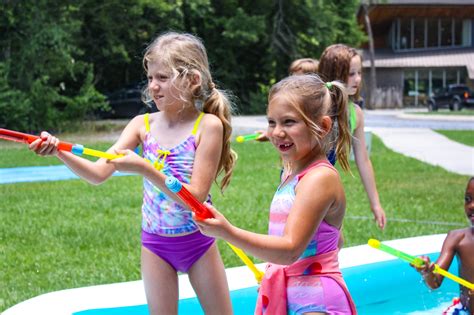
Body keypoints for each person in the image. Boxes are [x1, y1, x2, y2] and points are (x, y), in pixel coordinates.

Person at [29, 32, 236, 315]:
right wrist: (59, 151)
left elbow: (196, 197)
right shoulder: (141, 125)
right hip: (155, 245)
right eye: (151, 78)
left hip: (197, 241)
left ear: (192, 80)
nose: (153, 86)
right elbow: (97, 174)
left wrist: (144, 168)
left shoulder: (208, 126)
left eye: (163, 77)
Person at [197, 74, 357, 314]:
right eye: (272, 122)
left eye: (289, 122)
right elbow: (336, 240)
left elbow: (290, 249)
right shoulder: (292, 174)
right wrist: (279, 273)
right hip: (291, 294)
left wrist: (227, 232)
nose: (277, 132)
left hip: (316, 303)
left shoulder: (319, 178)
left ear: (323, 127)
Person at [318, 43, 387, 230]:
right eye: (350, 74)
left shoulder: (355, 113)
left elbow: (363, 159)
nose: (357, 79)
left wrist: (376, 203)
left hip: (324, 184)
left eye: (359, 73)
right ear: (334, 74)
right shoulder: (316, 107)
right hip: (300, 182)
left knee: (333, 240)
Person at [412, 177, 474, 314]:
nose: (471, 206)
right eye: (468, 199)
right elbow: (435, 282)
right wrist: (427, 272)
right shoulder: (457, 239)